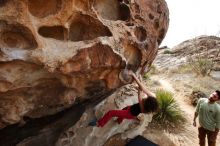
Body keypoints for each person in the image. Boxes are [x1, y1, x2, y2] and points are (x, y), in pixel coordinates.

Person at [88, 70, 158, 127]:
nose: (145, 99)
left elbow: (140, 94)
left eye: (144, 101)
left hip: (129, 114)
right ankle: (119, 121)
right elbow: (143, 88)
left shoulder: (143, 108)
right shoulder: (152, 97)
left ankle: (100, 123)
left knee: (111, 113)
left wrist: (133, 75)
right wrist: (138, 79)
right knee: (124, 109)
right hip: (131, 110)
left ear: (146, 104)